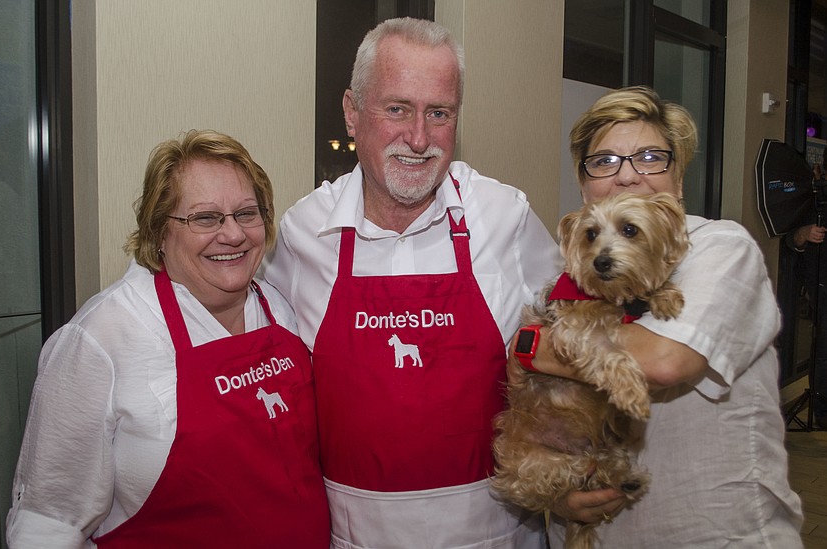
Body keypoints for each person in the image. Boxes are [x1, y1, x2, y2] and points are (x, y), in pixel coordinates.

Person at [261, 17, 561, 549]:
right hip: (355, 536)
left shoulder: (503, 217)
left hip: (494, 534)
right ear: (352, 113)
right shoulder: (305, 231)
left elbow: (572, 341)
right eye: (397, 108)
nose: (419, 139)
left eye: (439, 113)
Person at [6, 130, 330, 548]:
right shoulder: (100, 338)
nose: (232, 234)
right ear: (159, 232)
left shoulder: (281, 309)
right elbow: (47, 525)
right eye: (205, 218)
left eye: (247, 213)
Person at [514, 86, 804, 547]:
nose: (627, 176)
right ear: (584, 183)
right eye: (604, 161)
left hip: (717, 530)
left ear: (678, 177)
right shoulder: (579, 268)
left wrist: (542, 346)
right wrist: (560, 500)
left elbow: (664, 362)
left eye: (650, 157)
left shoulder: (721, 247)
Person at [786, 160, 827, 428]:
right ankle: (822, 411)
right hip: (821, 283)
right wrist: (805, 233)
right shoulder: (812, 201)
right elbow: (792, 240)